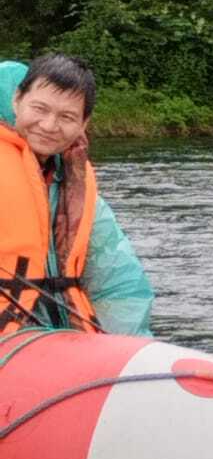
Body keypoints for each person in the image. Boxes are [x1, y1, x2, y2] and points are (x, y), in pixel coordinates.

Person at [0, 54, 153, 336]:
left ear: (83, 124)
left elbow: (117, 282)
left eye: (66, 117)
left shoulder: (76, 183)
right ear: (17, 100)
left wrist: (129, 349)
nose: (48, 125)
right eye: (40, 109)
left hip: (65, 343)